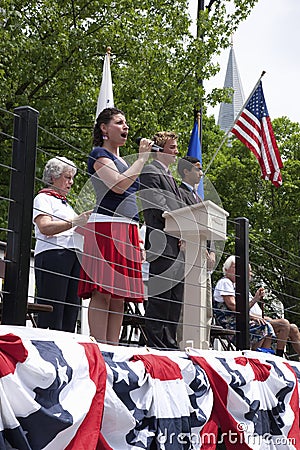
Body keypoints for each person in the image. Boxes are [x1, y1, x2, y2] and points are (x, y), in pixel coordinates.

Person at [78, 107, 151, 344]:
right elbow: (118, 186)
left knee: (119, 295)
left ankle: (113, 348)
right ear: (104, 128)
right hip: (106, 226)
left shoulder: (124, 160)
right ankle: (98, 345)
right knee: (103, 291)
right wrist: (141, 159)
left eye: (126, 122)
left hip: (127, 228)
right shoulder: (99, 154)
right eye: (119, 122)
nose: (125, 126)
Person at [33, 156, 92, 332]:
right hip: (53, 255)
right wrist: (75, 222)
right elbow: (44, 227)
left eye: (72, 178)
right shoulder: (43, 198)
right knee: (53, 309)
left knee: (71, 310)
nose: (71, 182)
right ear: (53, 177)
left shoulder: (65, 204)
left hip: (72, 256)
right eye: (67, 177)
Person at [139, 131, 185, 349]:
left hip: (176, 244)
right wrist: (182, 218)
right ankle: (157, 342)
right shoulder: (150, 171)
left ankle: (170, 341)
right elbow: (157, 205)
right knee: (161, 296)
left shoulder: (171, 178)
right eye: (172, 148)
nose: (177, 152)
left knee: (175, 298)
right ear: (159, 150)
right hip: (161, 242)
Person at [177, 156, 216, 345]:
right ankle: (183, 343)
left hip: (202, 257)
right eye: (198, 169)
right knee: (188, 306)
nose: (201, 173)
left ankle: (204, 344)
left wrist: (212, 251)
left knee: (205, 307)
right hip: (188, 257)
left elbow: (208, 227)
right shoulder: (179, 193)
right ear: (186, 171)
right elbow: (179, 221)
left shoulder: (199, 198)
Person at [213, 255, 275, 350]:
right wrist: (252, 315)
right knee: (264, 326)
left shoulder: (234, 285)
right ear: (226, 269)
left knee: (266, 326)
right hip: (231, 323)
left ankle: (260, 355)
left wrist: (255, 299)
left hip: (239, 320)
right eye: (235, 267)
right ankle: (254, 356)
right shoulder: (225, 282)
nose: (238, 270)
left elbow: (241, 308)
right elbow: (233, 306)